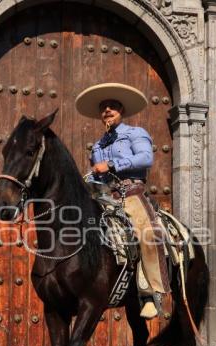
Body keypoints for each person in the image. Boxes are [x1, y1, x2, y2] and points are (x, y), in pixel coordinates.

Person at [75, 83, 171, 318]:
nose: (107, 110)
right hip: (105, 196)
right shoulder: (98, 145)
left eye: (113, 106)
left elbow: (146, 159)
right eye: (103, 108)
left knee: (148, 234)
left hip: (131, 193)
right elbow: (99, 174)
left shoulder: (135, 133)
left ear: (122, 111)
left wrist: (112, 164)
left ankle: (150, 292)